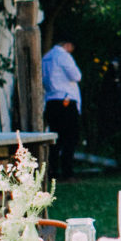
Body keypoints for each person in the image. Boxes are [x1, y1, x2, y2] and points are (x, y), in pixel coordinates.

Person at [41, 37, 82, 179]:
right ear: (67, 44)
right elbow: (76, 76)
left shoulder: (46, 57)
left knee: (55, 139)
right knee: (70, 138)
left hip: (51, 100)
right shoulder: (63, 56)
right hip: (65, 100)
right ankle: (67, 171)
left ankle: (53, 170)